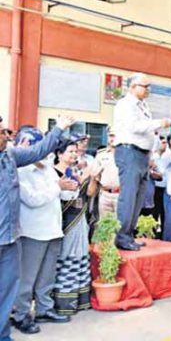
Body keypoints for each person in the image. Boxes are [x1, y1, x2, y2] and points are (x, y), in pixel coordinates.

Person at [0, 115, 74, 341]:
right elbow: (32, 199)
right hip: (27, 233)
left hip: (9, 237)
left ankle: (3, 334)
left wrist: (59, 128)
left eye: (7, 132)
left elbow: (39, 150)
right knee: (22, 282)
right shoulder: (19, 166)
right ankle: (20, 317)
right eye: (3, 133)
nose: (7, 136)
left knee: (7, 289)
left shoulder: (10, 157)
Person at [113, 73, 171, 251]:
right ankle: (122, 236)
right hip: (129, 151)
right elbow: (134, 127)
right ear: (133, 86)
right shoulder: (125, 105)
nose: (148, 90)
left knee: (139, 198)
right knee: (129, 196)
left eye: (149, 86)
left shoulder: (143, 106)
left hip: (142, 154)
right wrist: (158, 123)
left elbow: (147, 132)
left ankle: (129, 234)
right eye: (144, 86)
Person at [52, 141, 100, 316]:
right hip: (64, 223)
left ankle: (79, 300)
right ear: (59, 154)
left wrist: (92, 178)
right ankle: (62, 301)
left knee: (80, 255)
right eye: (70, 151)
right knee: (65, 257)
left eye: (75, 152)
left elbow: (89, 194)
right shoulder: (53, 173)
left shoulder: (76, 173)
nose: (74, 155)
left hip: (80, 221)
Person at [92, 127, 119, 217]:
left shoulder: (126, 154)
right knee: (105, 226)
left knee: (120, 227)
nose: (113, 138)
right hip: (105, 194)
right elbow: (95, 175)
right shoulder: (101, 154)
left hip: (121, 195)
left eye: (115, 136)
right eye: (111, 135)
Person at [152, 136, 168, 238]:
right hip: (155, 189)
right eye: (162, 142)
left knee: (165, 214)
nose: (164, 144)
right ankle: (152, 235)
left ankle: (162, 236)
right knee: (154, 213)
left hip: (167, 189)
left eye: (166, 142)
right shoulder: (153, 157)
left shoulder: (168, 157)